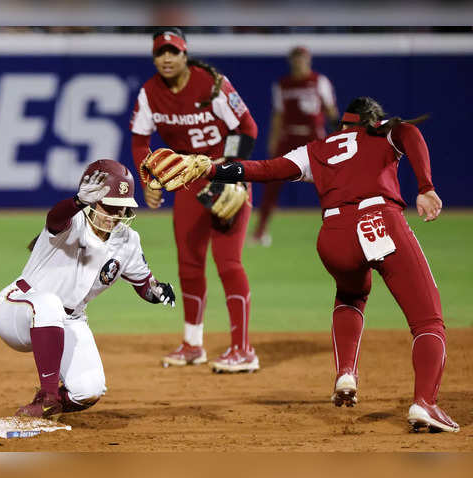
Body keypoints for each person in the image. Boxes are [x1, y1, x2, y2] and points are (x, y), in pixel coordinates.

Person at [201, 96, 459, 432]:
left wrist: (211, 168)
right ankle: (425, 403)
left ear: (343, 125)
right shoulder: (380, 132)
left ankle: (345, 374)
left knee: (351, 295)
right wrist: (425, 186)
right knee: (428, 322)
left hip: (334, 235)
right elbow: (409, 132)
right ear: (373, 120)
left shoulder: (316, 149)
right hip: (380, 221)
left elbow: (265, 169)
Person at [0, 159, 176, 417]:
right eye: (110, 206)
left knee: (88, 390)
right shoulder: (73, 222)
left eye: (122, 208)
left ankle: (42, 407)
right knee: (50, 304)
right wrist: (76, 202)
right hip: (18, 310)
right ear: (92, 201)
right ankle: (48, 394)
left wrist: (157, 292)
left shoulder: (128, 240)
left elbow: (144, 283)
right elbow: (55, 218)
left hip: (69, 321)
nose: (116, 215)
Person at [130, 27, 260, 373]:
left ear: (185, 54)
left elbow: (247, 127)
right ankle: (192, 344)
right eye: (160, 53)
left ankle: (243, 349)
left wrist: (230, 171)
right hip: (188, 181)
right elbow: (140, 142)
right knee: (188, 263)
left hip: (224, 175)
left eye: (173, 51)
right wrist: (150, 178)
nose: (167, 58)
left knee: (228, 262)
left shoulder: (212, 84)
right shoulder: (150, 93)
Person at [253, 46, 338, 246]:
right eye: (296, 59)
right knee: (271, 183)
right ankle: (260, 231)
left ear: (308, 60)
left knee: (330, 184)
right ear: (291, 61)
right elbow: (278, 114)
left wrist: (337, 133)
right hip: (289, 136)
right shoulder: (283, 84)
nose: (299, 62)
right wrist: (273, 141)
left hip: (314, 138)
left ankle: (342, 227)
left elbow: (330, 109)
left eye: (302, 58)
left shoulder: (319, 81)